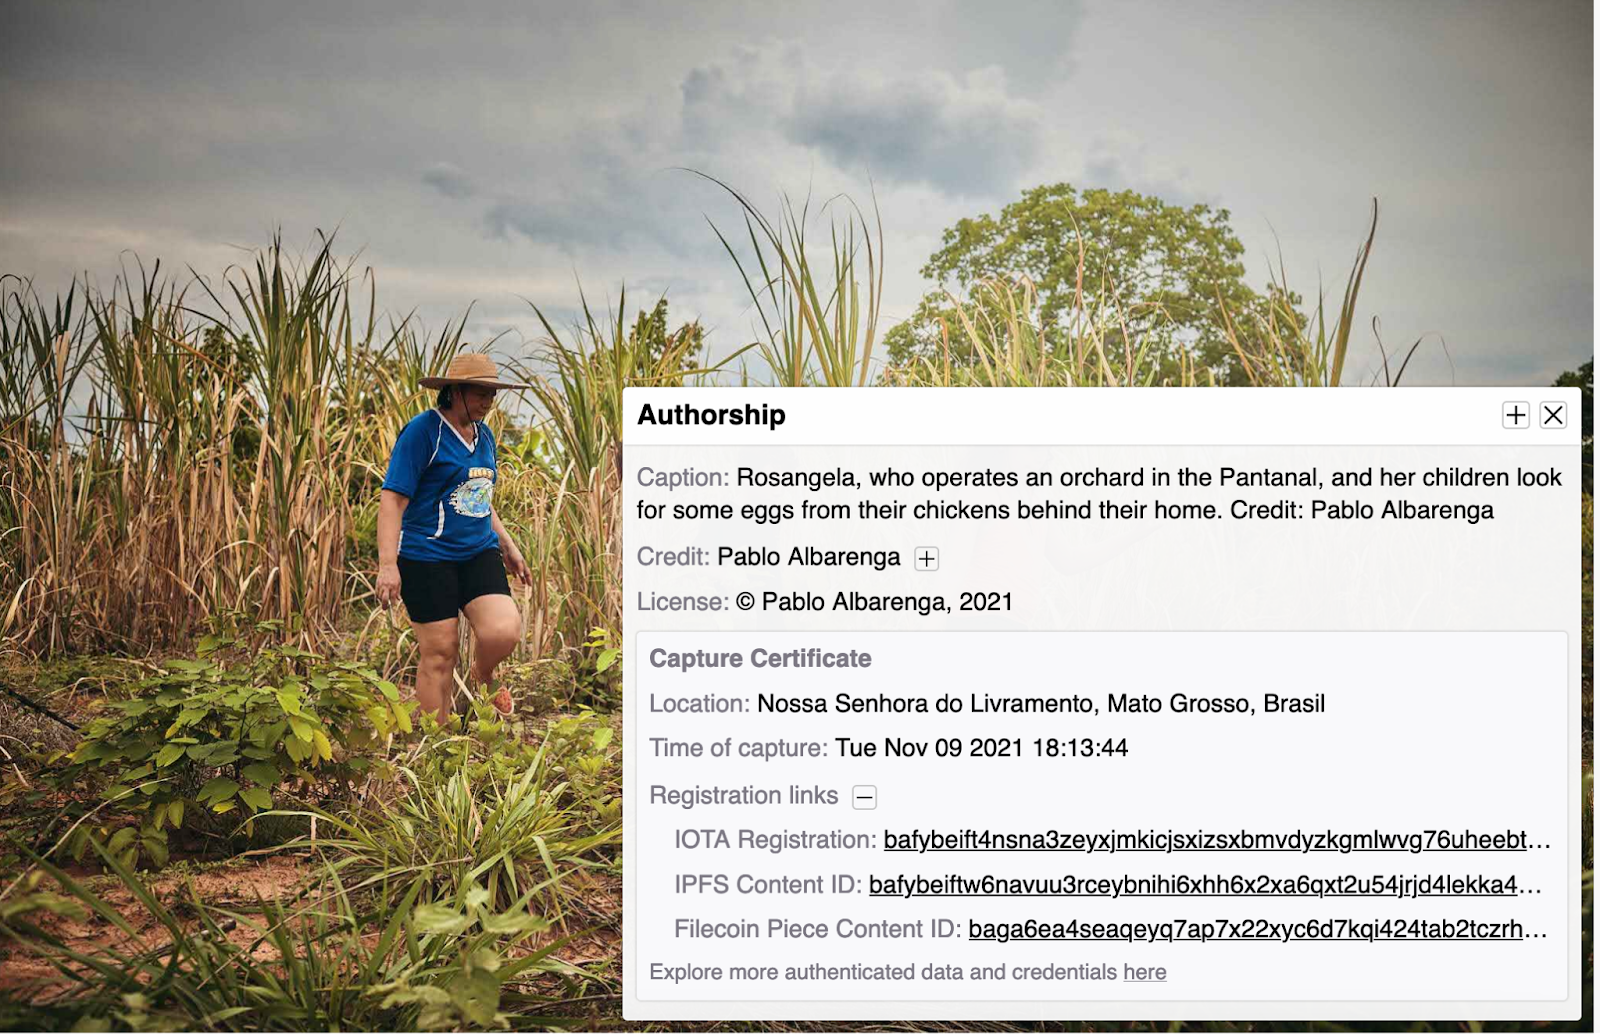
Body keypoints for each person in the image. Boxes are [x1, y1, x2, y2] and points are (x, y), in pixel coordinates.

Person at [373, 352, 533, 726]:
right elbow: (393, 499)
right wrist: (387, 566)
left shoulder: (485, 436)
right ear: (454, 391)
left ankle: (482, 674)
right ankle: (435, 746)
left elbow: (478, 495)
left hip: (478, 551)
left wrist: (507, 544)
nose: (487, 402)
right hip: (426, 557)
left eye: (492, 395)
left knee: (504, 629)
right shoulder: (423, 432)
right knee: (440, 653)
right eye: (480, 393)